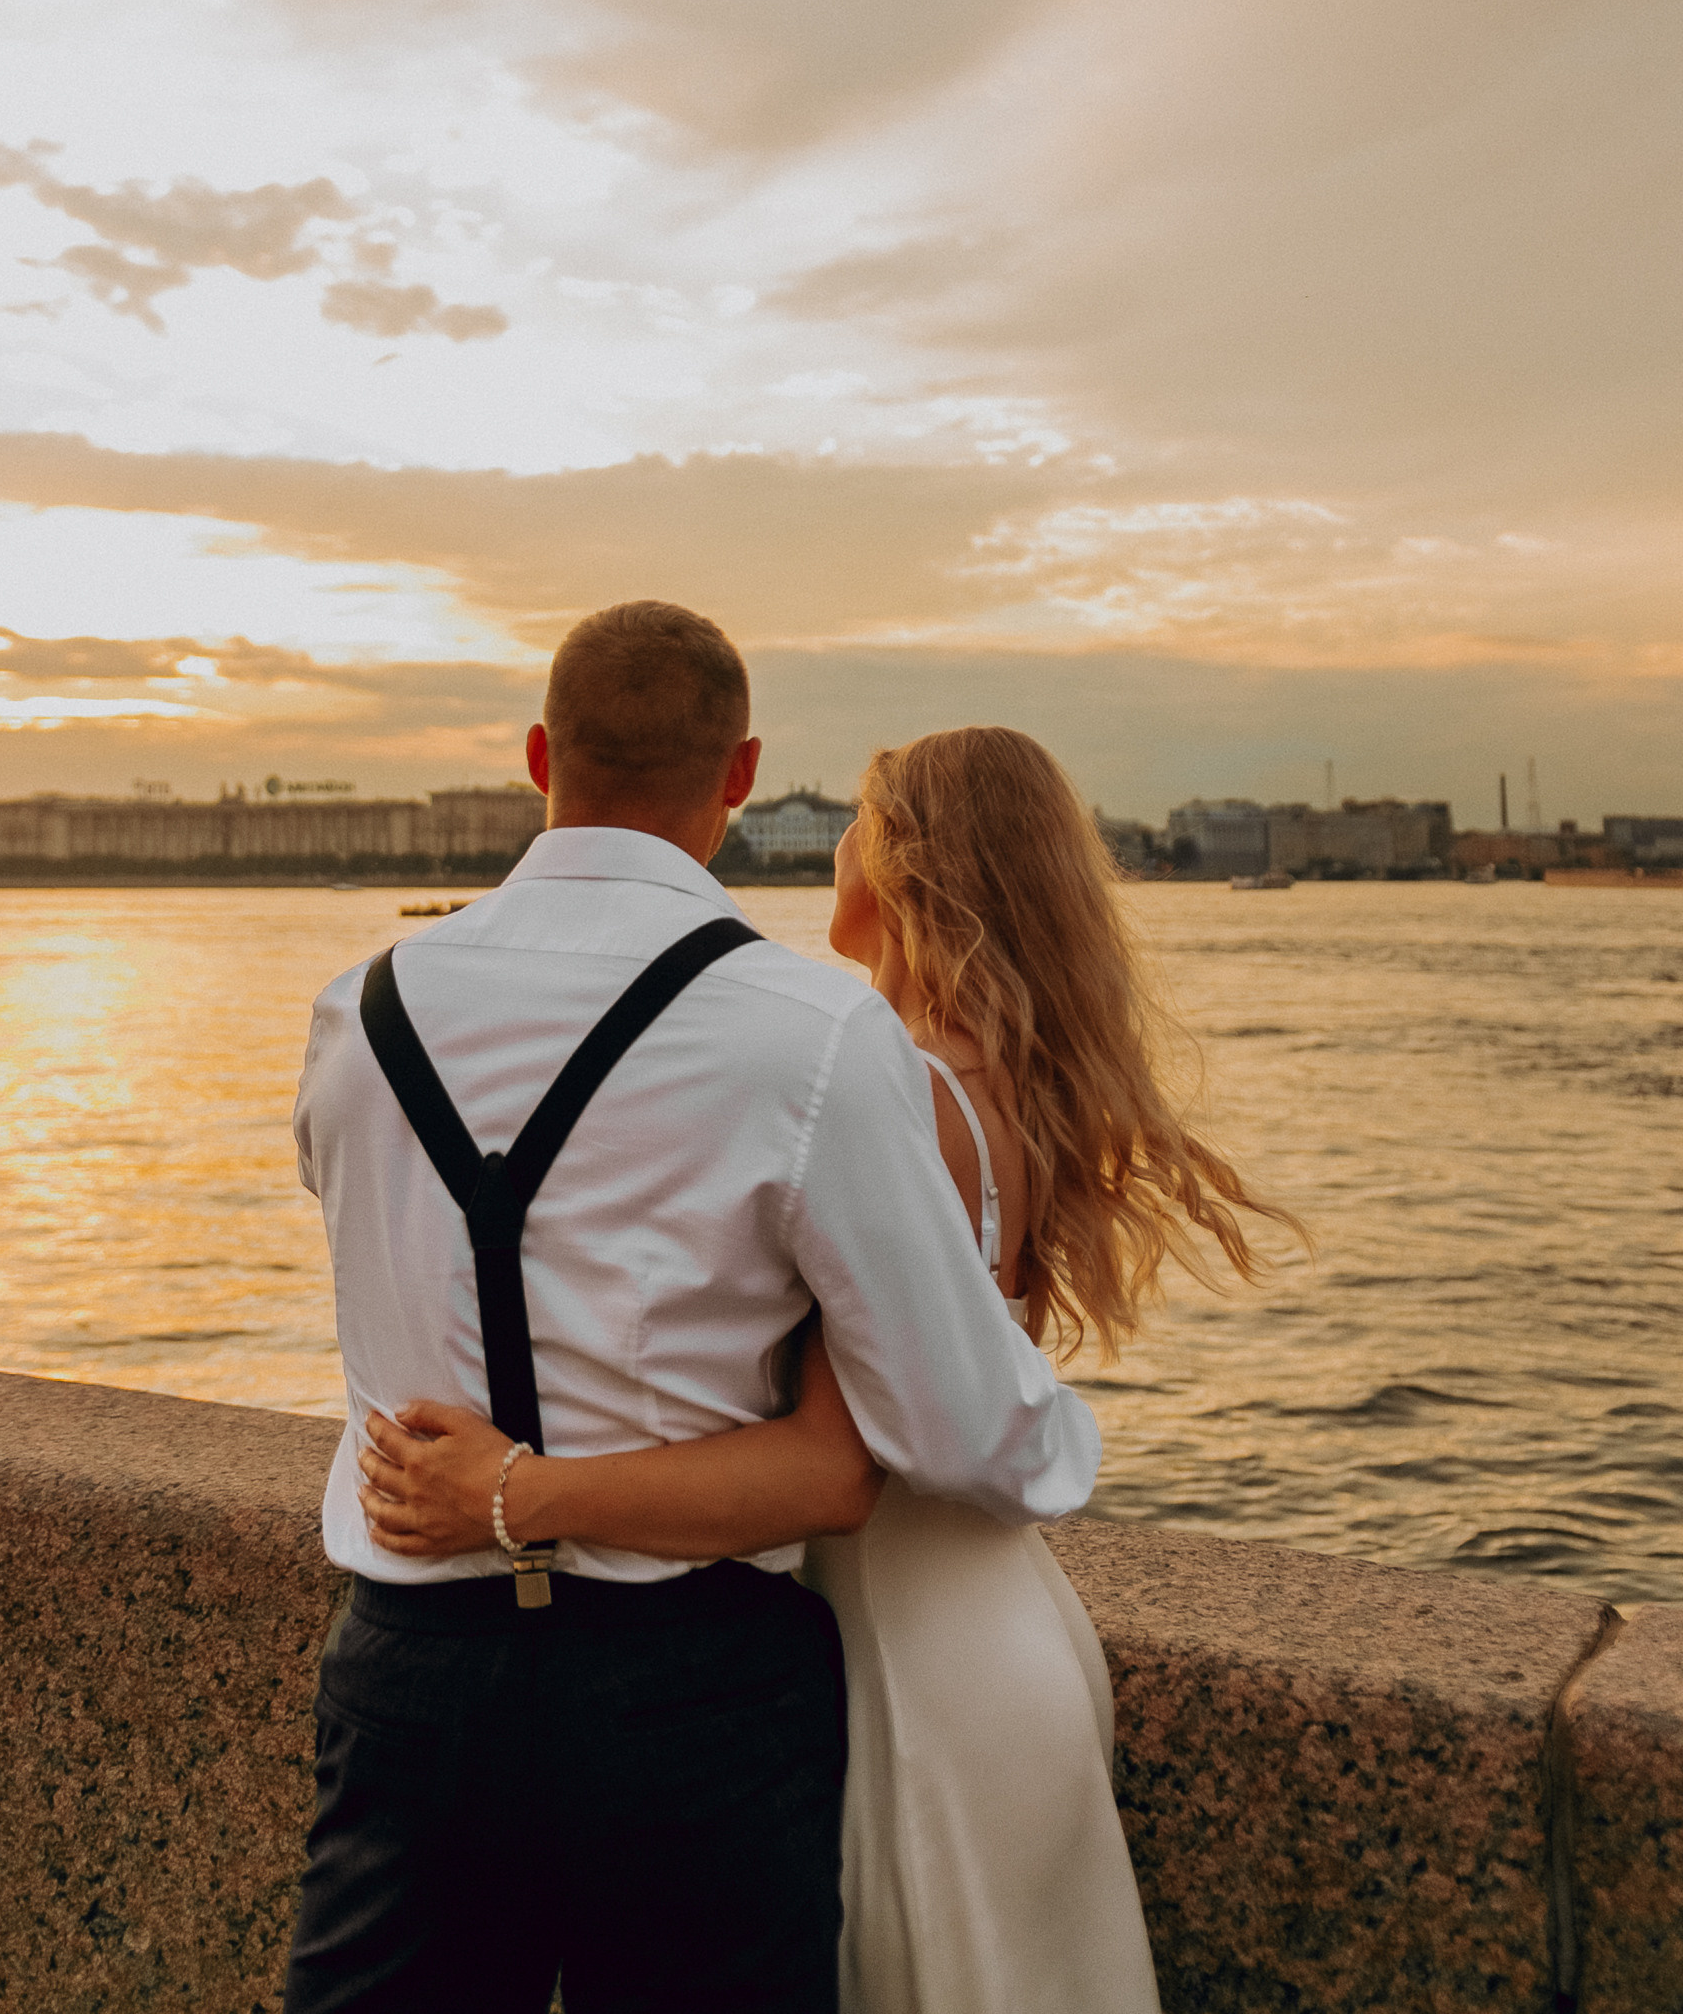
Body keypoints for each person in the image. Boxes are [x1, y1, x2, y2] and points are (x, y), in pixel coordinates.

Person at [362, 724, 1295, 2014]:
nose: (837, 846)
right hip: (995, 1621)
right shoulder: (1001, 1085)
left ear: (907, 867)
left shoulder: (901, 1086)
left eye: (859, 821)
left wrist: (516, 1491)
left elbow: (831, 1461)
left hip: (904, 1654)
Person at [285, 612, 1101, 2014]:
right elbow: (967, 1435)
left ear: (541, 756)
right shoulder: (813, 1034)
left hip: (415, 1681)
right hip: (692, 1698)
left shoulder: (357, 1016)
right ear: (741, 777)